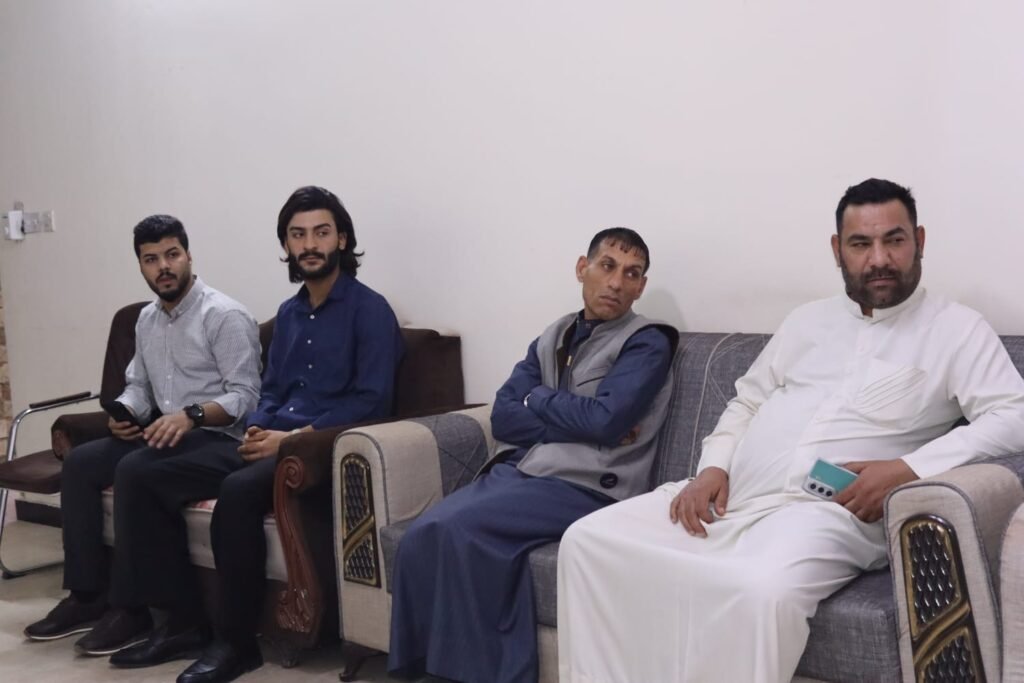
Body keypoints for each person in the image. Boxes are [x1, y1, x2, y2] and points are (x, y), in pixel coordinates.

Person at [557, 178, 1024, 683]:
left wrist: (908, 468)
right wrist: (712, 468)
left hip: (825, 515)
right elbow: (747, 400)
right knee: (587, 541)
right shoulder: (807, 321)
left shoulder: (956, 329)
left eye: (894, 240)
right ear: (837, 250)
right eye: (860, 244)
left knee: (760, 588)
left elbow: (1014, 415)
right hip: (731, 498)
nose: (879, 259)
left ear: (920, 241)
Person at [112, 187, 402, 683]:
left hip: (319, 451)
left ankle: (236, 644)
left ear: (342, 239)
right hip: (270, 440)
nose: (309, 244)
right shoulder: (289, 314)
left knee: (239, 491)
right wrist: (258, 427)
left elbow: (372, 403)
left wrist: (291, 439)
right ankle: (181, 622)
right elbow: (271, 390)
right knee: (141, 474)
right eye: (297, 235)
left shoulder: (370, 311)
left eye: (321, 232)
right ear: (286, 245)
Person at [388, 228, 679, 683]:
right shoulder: (553, 336)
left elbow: (605, 421)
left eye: (631, 274)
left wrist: (538, 398)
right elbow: (504, 415)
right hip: (528, 470)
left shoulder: (647, 342)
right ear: (582, 268)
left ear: (641, 286)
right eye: (607, 266)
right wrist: (576, 418)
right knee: (423, 533)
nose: (617, 283)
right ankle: (419, 668)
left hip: (590, 487)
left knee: (456, 529)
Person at [24, 215, 262, 659]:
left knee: (136, 470)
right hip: (165, 434)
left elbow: (245, 396)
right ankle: (87, 595)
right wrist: (126, 413)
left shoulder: (224, 315)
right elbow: (138, 385)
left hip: (221, 441)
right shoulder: (147, 321)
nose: (163, 267)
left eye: (172, 255)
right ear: (140, 265)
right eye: (151, 259)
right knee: (80, 463)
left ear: (188, 256)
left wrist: (191, 416)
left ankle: (139, 611)